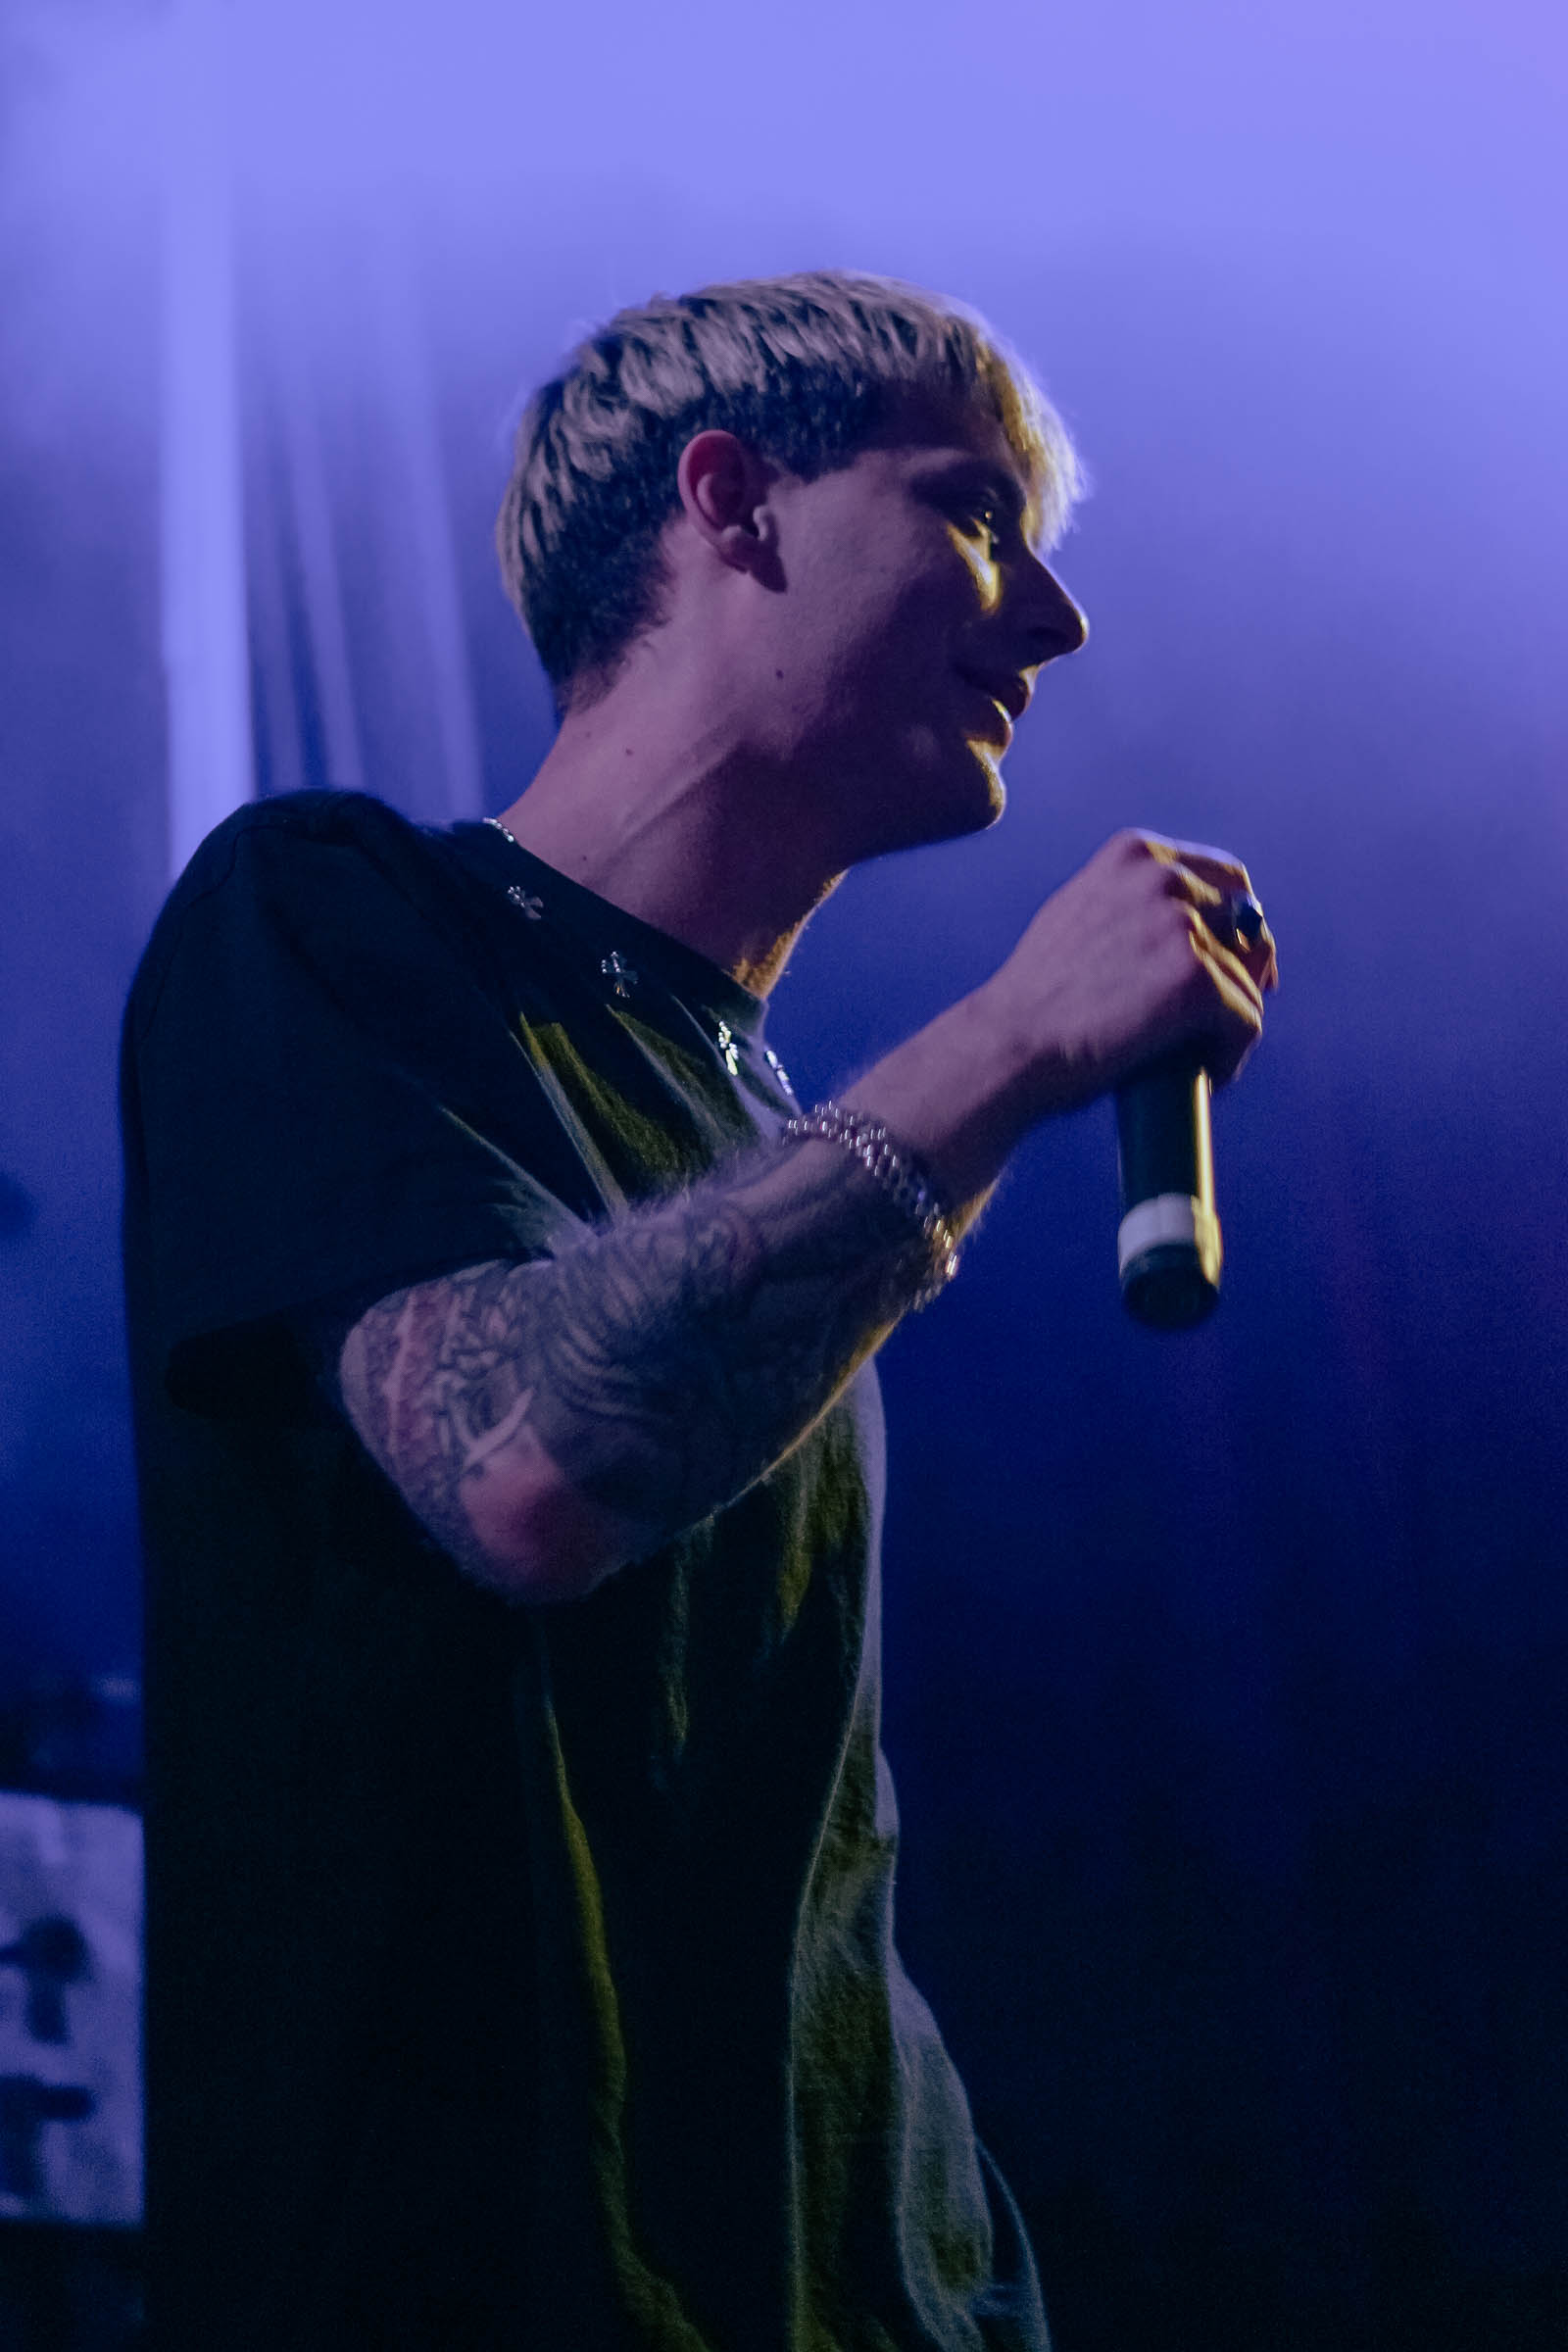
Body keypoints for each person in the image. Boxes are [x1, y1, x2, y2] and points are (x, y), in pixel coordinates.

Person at [121, 270, 1276, 2350]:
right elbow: (523, 1474)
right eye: (973, 514)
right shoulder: (331, 912)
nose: (1052, 619)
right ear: (732, 503)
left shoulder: (768, 1131)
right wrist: (1012, 1040)